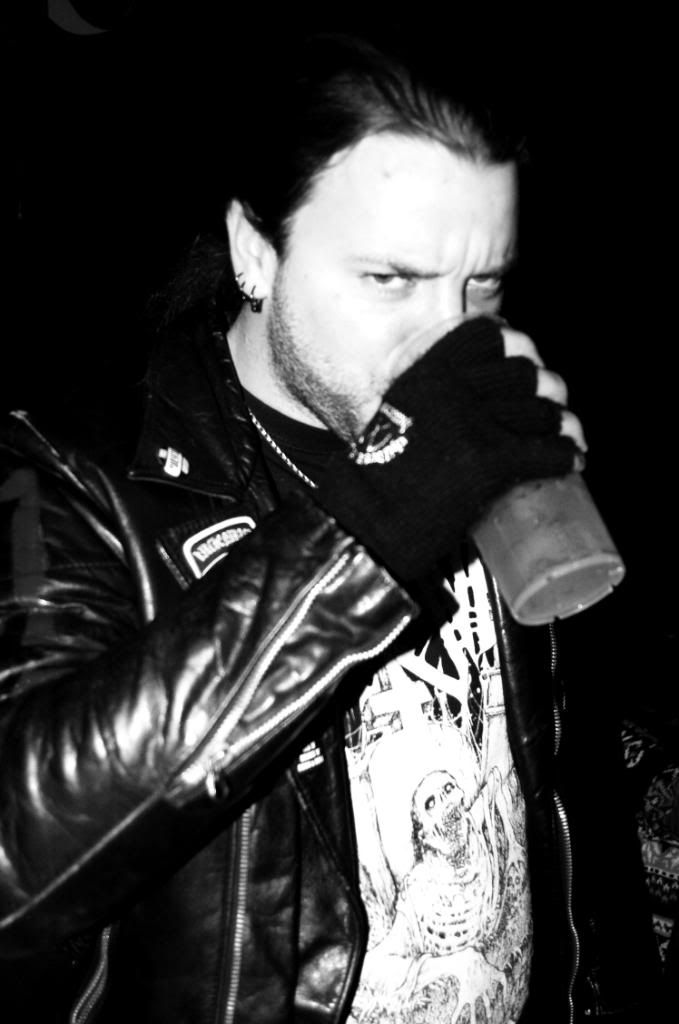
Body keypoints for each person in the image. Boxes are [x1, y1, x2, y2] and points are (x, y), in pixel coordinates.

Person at [0, 30, 660, 1024]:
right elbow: (18, 863)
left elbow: (554, 793)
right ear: (253, 252)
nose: (451, 338)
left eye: (482, 282)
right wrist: (375, 525)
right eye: (389, 280)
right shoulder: (71, 470)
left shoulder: (491, 438)